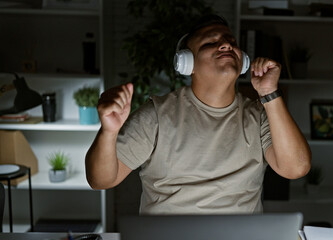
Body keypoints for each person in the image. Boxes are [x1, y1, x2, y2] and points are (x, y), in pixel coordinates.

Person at [85, 14, 311, 214]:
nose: (226, 45)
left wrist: (269, 93)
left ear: (244, 62)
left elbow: (296, 168)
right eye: (211, 42)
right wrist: (109, 132)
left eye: (231, 41)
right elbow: (100, 180)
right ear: (186, 63)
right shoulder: (155, 115)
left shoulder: (259, 115)